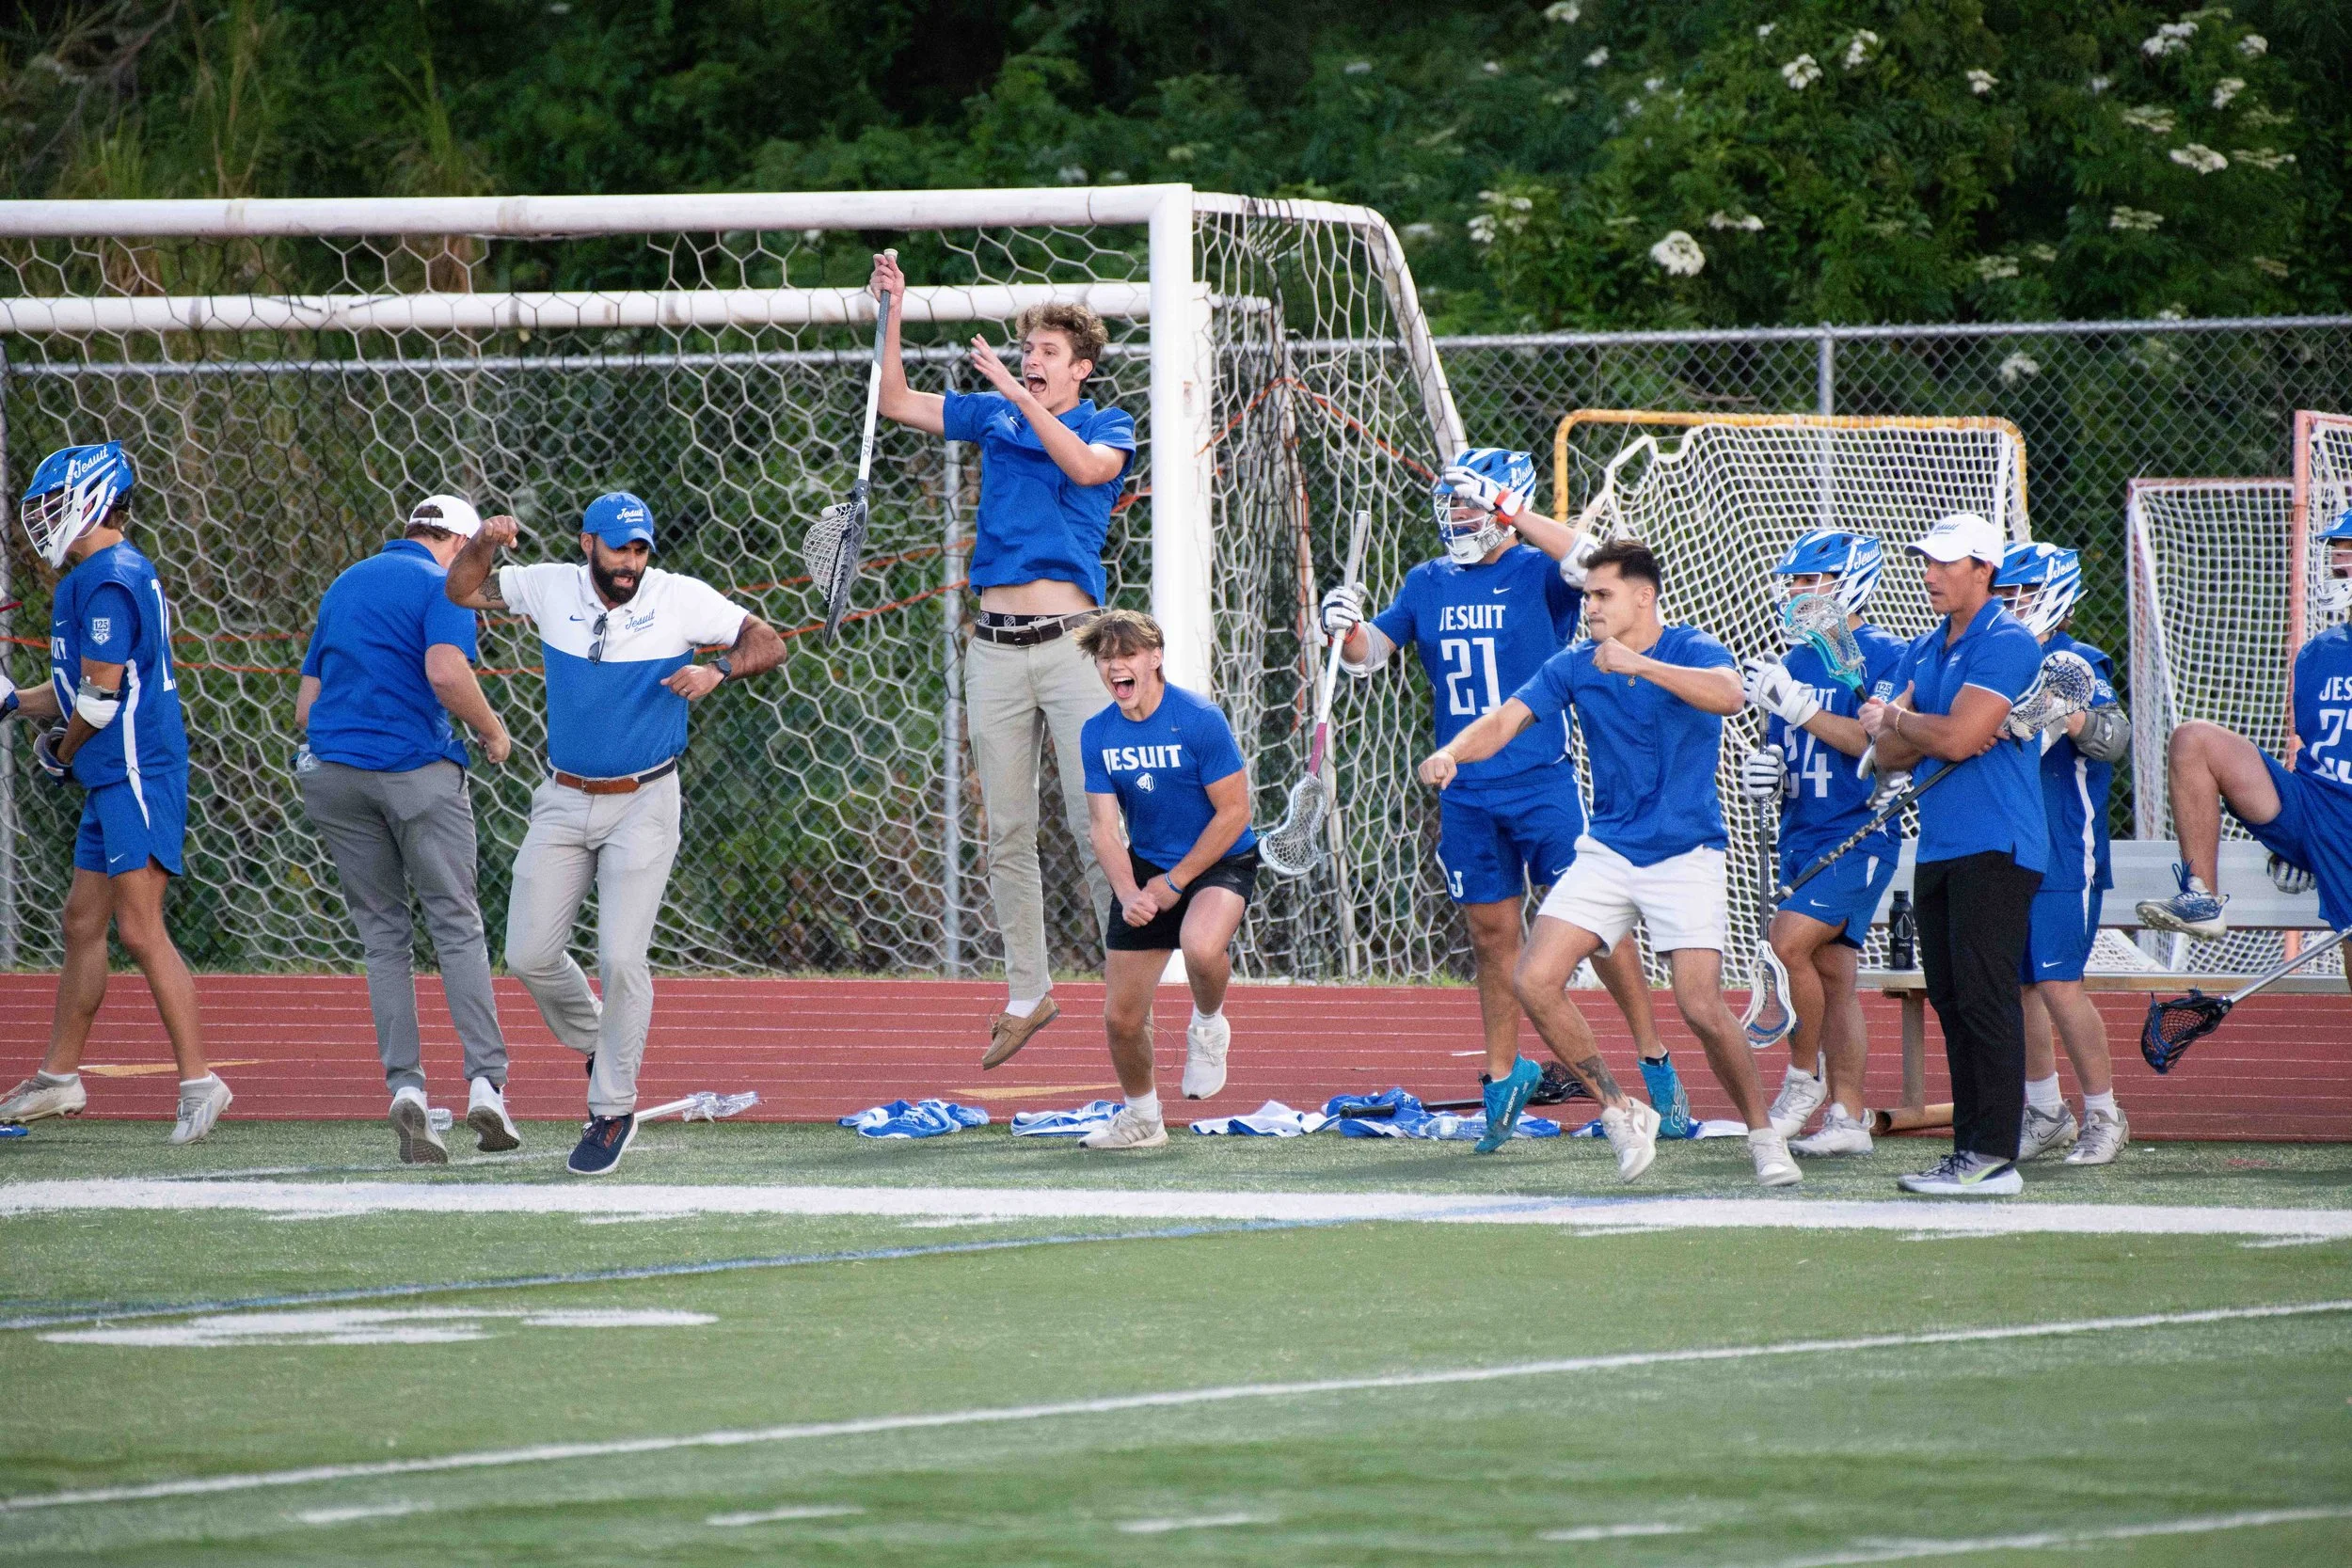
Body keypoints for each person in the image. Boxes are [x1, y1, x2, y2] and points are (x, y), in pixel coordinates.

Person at [1321, 449, 1679, 1155]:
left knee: (1601, 928)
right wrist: (1343, 623)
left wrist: (1514, 511)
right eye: (1453, 502)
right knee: (1492, 939)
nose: (1459, 515)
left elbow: (1591, 560)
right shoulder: (1427, 580)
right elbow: (1370, 654)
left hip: (1541, 778)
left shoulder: (1540, 571)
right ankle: (1502, 1072)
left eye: (1474, 503)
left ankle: (1654, 1059)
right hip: (1465, 786)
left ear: (1508, 505)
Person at [1418, 539, 1798, 1187]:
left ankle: (1765, 1137)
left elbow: (1730, 695)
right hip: (1609, 850)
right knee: (1534, 979)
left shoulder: (1691, 648)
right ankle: (1622, 1111)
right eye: (1586, 595)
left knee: (1700, 1005)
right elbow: (1506, 717)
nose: (1588, 605)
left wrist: (1640, 666)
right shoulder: (1575, 662)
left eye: (1602, 595)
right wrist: (1454, 750)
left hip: (1687, 853)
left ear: (1642, 597)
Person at [444, 492, 785, 1176]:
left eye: (640, 549)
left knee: (622, 959)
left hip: (646, 800)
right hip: (564, 798)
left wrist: (716, 669)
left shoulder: (679, 597)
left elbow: (768, 640)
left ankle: (611, 1108)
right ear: (586, 544)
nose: (630, 561)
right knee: (528, 953)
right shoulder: (547, 585)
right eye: (618, 547)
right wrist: (483, 538)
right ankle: (605, 1041)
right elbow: (463, 587)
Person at [868, 251, 1134, 1069]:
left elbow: (1087, 470)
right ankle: (1030, 989)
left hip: (1073, 649)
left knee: (1103, 828)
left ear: (1081, 369)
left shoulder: (1103, 424)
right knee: (1006, 828)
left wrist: (1019, 397)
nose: (1031, 360)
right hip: (993, 648)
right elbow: (894, 399)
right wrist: (892, 310)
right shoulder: (994, 412)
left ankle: (1128, 978)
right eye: (1028, 351)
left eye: (1049, 353)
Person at [0, 441, 231, 1145]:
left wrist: (58, 753)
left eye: (50, 504)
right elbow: (76, 690)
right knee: (81, 921)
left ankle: (200, 1080)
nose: (40, 519)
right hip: (112, 771)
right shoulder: (94, 576)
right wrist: (14, 701)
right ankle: (60, 1075)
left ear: (92, 499)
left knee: (138, 925)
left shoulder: (110, 577)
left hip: (134, 767)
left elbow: (98, 702)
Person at [296, 495, 517, 1164]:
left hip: (333, 775)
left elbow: (307, 707)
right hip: (416, 771)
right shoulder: (445, 584)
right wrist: (493, 729)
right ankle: (486, 1081)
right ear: (456, 541)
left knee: (383, 935)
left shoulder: (346, 582)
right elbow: (446, 671)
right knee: (456, 923)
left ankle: (406, 1088)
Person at [1859, 513, 2048, 1197]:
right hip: (1941, 845)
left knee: (1984, 997)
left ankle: (1994, 1154)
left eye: (1944, 562)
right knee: (1950, 997)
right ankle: (1971, 1149)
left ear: (1982, 569)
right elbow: (1887, 751)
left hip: (1999, 842)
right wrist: (1917, 730)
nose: (1930, 572)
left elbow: (1959, 737)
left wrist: (1907, 723)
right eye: (1927, 561)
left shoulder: (2008, 640)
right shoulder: (1923, 647)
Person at [1737, 531, 1909, 1157]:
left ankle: (1803, 1082)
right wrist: (1770, 773)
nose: (1799, 592)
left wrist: (1802, 711)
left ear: (1851, 581)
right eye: (1796, 581)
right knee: (1835, 975)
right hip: (1802, 831)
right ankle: (1849, 1117)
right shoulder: (1791, 661)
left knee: (1786, 946)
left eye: (1813, 580)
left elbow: (1880, 748)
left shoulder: (1890, 655)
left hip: (1858, 832)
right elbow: (1790, 750)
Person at [2139, 505, 2352, 993]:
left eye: (2349, 550)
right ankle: (2201, 897)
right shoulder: (2319, 652)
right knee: (2194, 740)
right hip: (2316, 806)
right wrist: (2294, 840)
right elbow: (2308, 746)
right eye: (2338, 549)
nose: (2339, 561)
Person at [1073, 610, 1257, 1150]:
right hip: (1149, 867)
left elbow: (1235, 814)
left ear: (1155, 658)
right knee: (1122, 1017)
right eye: (1106, 659)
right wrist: (1129, 893)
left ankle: (1207, 1025)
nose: (1115, 667)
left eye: (1126, 655)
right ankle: (1142, 1120)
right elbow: (1104, 828)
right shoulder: (1097, 732)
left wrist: (1174, 883)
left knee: (1201, 948)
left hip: (1220, 858)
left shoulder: (1199, 719)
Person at [1992, 543, 2133, 1166]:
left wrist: (2066, 715)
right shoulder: (1998, 657)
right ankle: (2046, 1111)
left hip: (2063, 852)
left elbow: (2113, 737)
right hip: (2008, 846)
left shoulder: (2073, 660)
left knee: (2058, 982)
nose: (2009, 603)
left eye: (2020, 592)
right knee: (2021, 985)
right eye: (2003, 593)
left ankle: (2105, 1112)